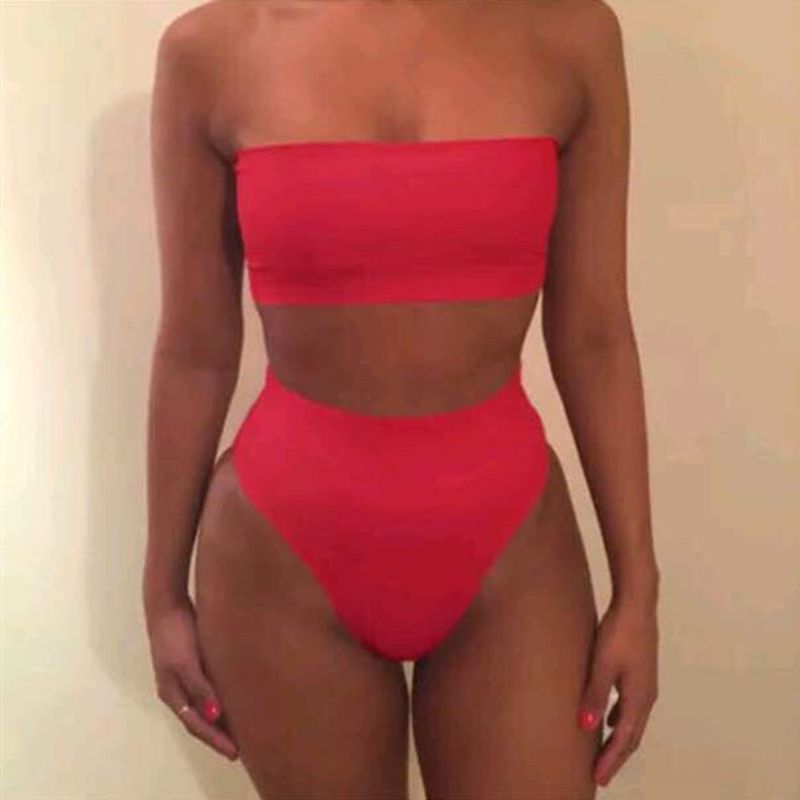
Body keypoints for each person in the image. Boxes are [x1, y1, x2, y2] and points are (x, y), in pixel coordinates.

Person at [143, 0, 659, 797]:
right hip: (283, 553)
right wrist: (162, 596)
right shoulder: (211, 50)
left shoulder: (571, 35)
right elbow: (195, 352)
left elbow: (594, 336)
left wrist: (638, 589)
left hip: (511, 551)